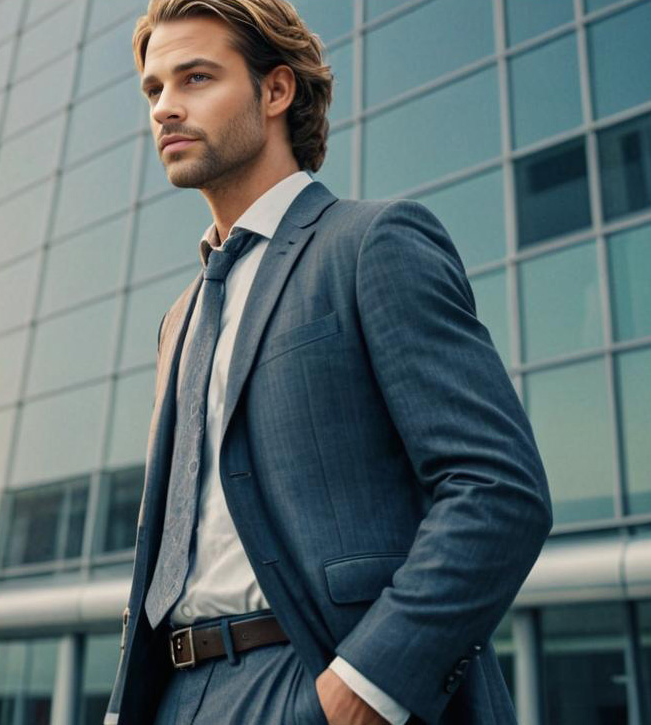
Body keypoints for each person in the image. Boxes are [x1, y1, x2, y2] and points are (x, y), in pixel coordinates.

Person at [104, 1, 553, 723]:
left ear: (275, 91)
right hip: (174, 693)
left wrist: (360, 689)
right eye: (154, 89)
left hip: (312, 677)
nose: (165, 109)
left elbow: (497, 488)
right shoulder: (178, 318)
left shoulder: (370, 243)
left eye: (194, 78)